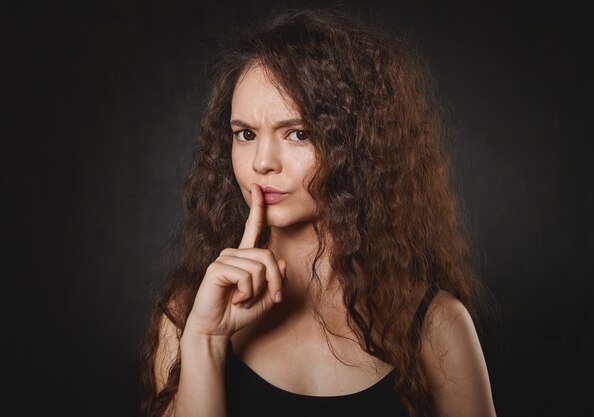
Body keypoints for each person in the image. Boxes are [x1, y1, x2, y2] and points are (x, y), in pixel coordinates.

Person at [140, 7, 497, 417]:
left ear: (356, 145)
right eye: (246, 134)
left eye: (297, 133)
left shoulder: (436, 325)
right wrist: (204, 341)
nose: (262, 162)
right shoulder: (188, 313)